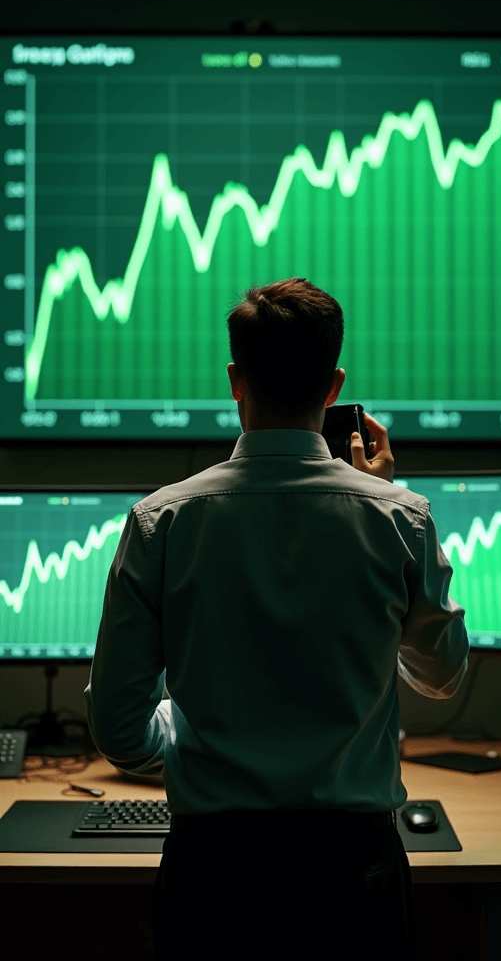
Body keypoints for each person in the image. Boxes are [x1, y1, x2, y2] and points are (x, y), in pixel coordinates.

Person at [84, 277, 469, 961]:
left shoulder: (160, 521)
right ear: (334, 386)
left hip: (213, 879)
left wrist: (184, 726)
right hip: (356, 878)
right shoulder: (399, 518)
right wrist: (380, 502)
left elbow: (119, 731)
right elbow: (442, 678)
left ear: (235, 380)